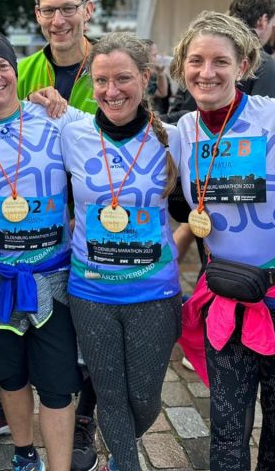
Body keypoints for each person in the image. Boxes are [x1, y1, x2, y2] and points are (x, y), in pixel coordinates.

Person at [173, 11, 275, 471]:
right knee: (227, 429)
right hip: (225, 300)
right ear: (182, 66)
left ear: (244, 63)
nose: (206, 72)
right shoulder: (182, 131)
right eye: (195, 60)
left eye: (220, 61)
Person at [0, 31, 85, 471]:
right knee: (10, 375)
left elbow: (107, 149)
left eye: (2, 66)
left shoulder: (53, 119)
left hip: (53, 277)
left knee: (59, 383)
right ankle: (25, 456)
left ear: (16, 70)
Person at [62, 32, 182, 471]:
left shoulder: (172, 138)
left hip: (154, 292)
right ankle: (124, 464)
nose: (111, 91)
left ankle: (121, 451)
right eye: (101, 81)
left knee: (145, 399)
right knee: (109, 394)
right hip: (91, 292)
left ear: (146, 78)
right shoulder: (71, 132)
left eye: (123, 79)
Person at [17, 0, 98, 114]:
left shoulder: (114, 71)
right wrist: (26, 106)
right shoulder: (20, 73)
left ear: (87, 11)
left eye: (68, 8)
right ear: (38, 14)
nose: (58, 21)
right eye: (48, 10)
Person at [228, 0, 275, 98]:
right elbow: (265, 112)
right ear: (263, 20)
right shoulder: (262, 62)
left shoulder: (210, 53)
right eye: (273, 26)